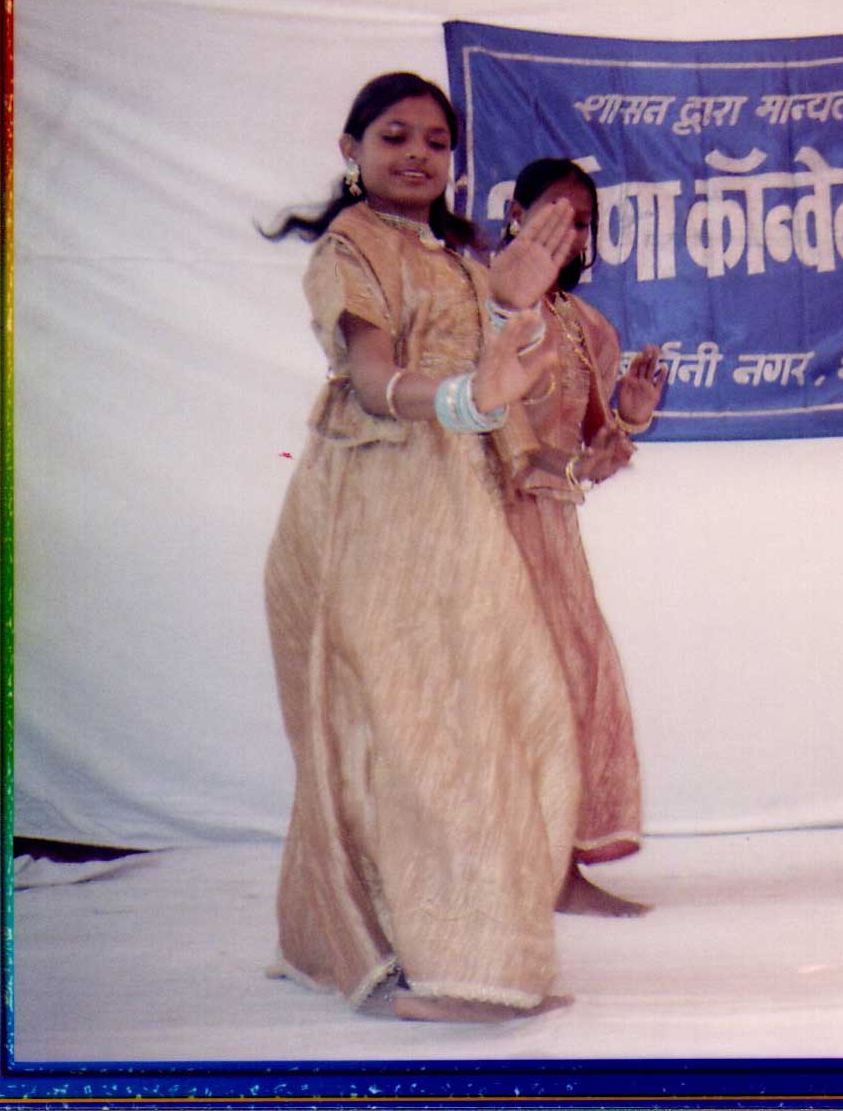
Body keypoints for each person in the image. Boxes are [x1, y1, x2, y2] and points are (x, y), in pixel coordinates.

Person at [261, 72, 587, 1021]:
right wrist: (464, 396)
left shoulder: (457, 257)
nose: (417, 155)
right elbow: (374, 383)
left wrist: (507, 310)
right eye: (394, 136)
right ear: (351, 149)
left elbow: (495, 377)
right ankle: (455, 964)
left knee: (491, 713)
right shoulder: (351, 247)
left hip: (455, 504)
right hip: (371, 505)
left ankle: (463, 946)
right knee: (419, 730)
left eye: (437, 142)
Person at [496, 157, 666, 917]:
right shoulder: (481, 304)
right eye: (554, 218)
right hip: (484, 521)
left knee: (574, 682)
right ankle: (502, 875)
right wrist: (567, 462)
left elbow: (594, 444)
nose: (569, 236)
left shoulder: (587, 326)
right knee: (502, 691)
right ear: (515, 214)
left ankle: (559, 871)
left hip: (552, 531)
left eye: (583, 225)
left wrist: (629, 416)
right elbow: (482, 429)